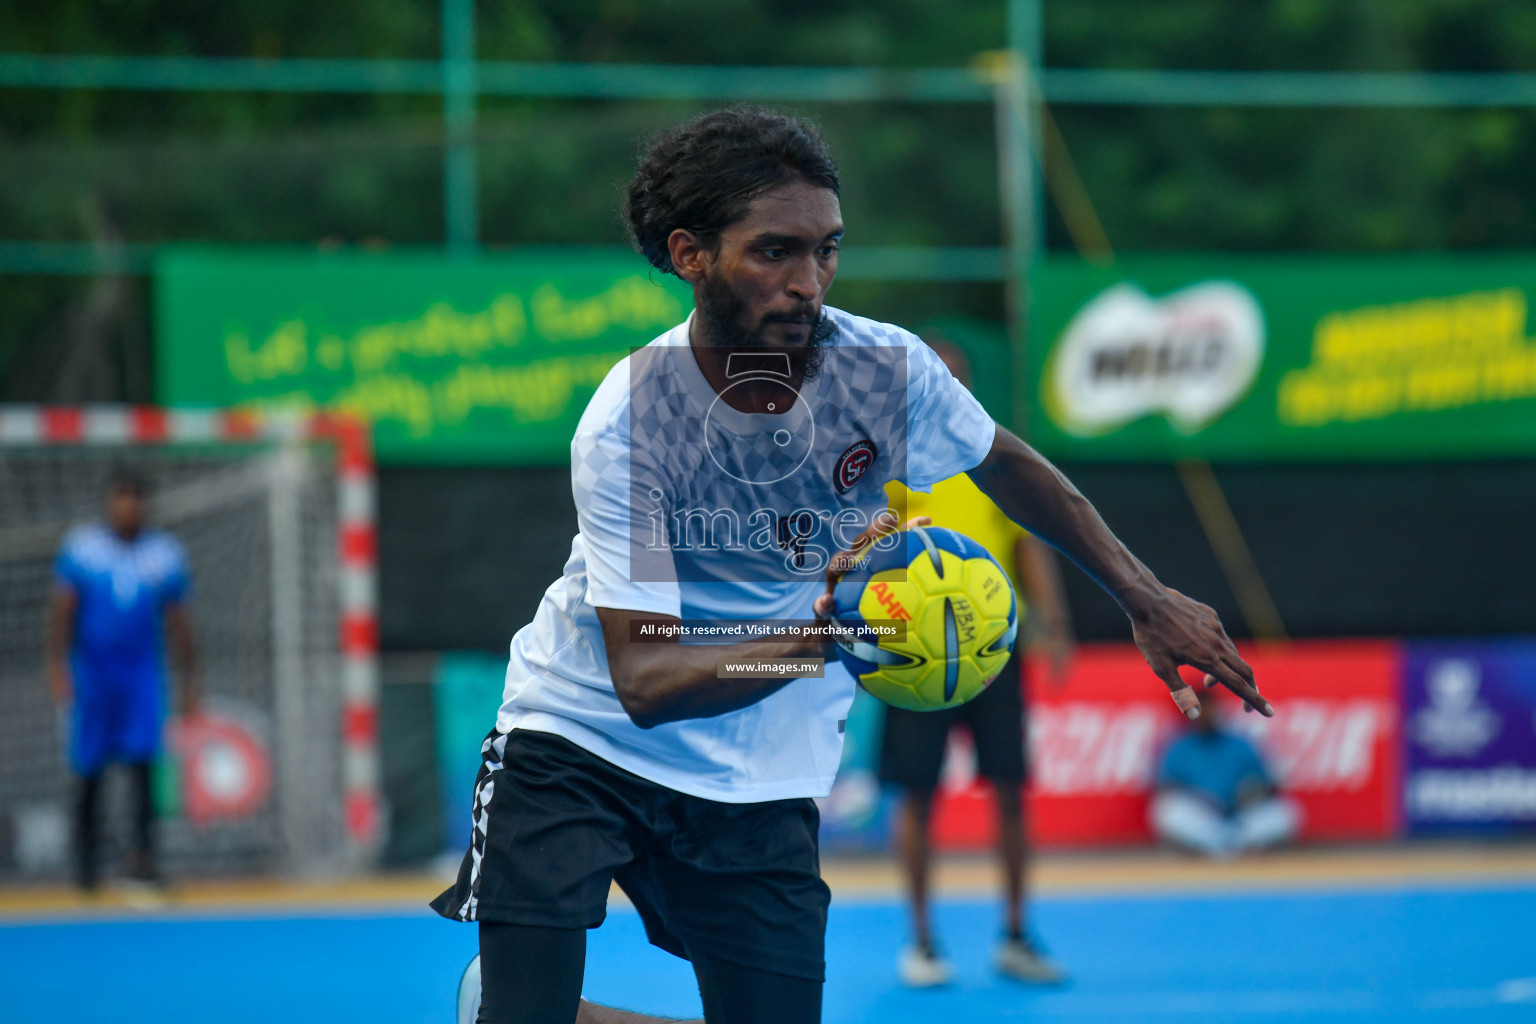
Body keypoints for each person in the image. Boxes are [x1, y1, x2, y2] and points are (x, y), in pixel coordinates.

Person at [438, 106, 1271, 1024]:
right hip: (580, 743)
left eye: (827, 250)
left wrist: (1143, 597)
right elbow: (648, 676)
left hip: (760, 776)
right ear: (689, 254)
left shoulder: (882, 369)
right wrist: (830, 635)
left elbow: (1006, 464)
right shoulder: (634, 418)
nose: (809, 282)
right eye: (774, 253)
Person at [878, 343, 1074, 988]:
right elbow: (869, 547)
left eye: (957, 376)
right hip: (915, 652)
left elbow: (1030, 541)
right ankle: (923, 940)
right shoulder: (889, 461)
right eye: (936, 376)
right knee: (918, 794)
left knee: (1012, 789)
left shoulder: (989, 454)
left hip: (993, 648)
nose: (945, 386)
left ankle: (1017, 933)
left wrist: (1056, 623)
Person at [45, 471, 198, 892]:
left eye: (135, 499)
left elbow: (179, 622)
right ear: (110, 503)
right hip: (92, 676)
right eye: (120, 498)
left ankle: (143, 860)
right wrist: (56, 665)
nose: (127, 507)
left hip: (141, 678)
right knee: (88, 771)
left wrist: (189, 679)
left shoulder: (164, 554)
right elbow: (62, 613)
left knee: (141, 770)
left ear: (144, 504)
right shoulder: (82, 550)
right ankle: (86, 866)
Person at [1150, 686, 1299, 859]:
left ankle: (1233, 849)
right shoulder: (1179, 747)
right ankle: (1222, 851)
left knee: (1286, 812)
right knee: (1167, 811)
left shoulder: (1240, 743)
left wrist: (1251, 794)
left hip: (1242, 820)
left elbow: (1270, 787)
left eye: (1209, 707)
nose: (1205, 714)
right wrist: (1201, 799)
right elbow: (1166, 789)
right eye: (1199, 710)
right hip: (1204, 822)